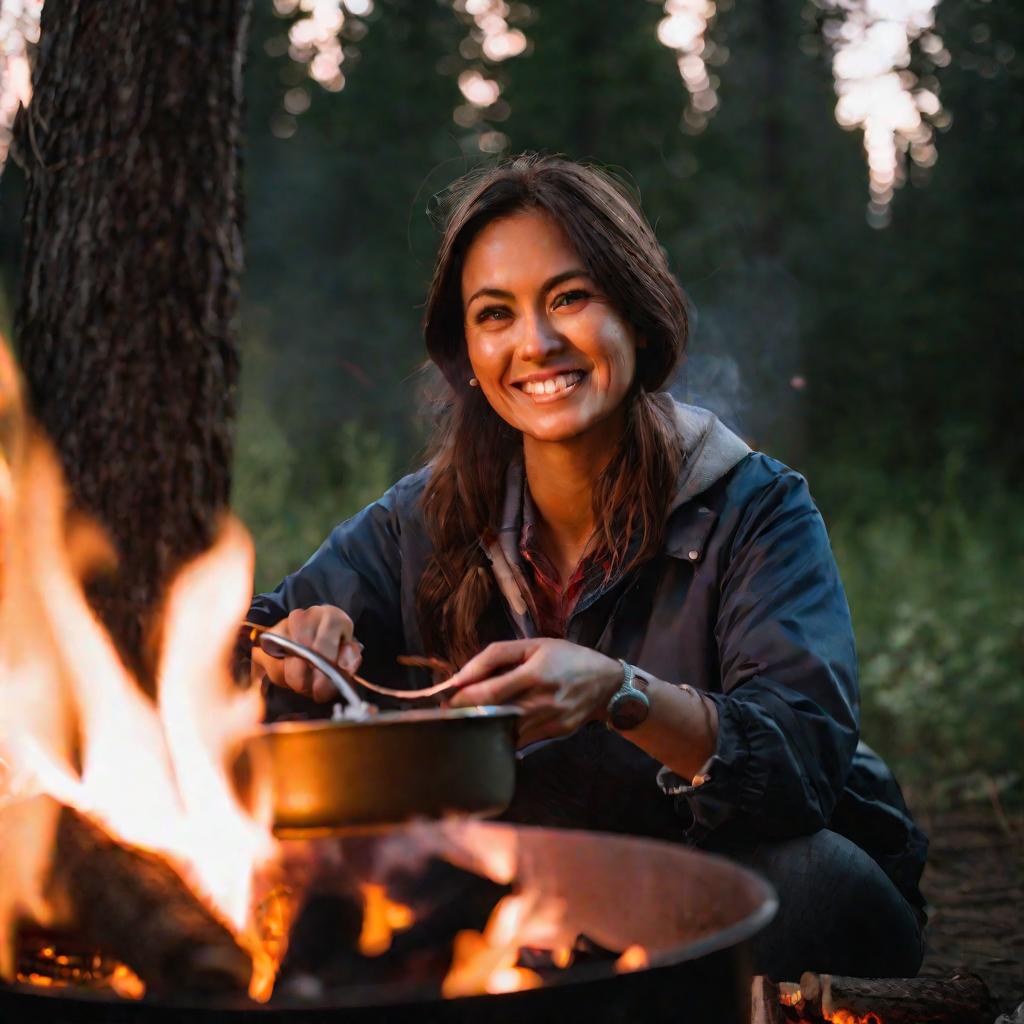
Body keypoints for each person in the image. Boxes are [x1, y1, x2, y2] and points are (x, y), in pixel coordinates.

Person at [247, 154, 927, 979]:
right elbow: (247, 639)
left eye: (569, 298)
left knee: (803, 882)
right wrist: (295, 646)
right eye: (494, 314)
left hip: (717, 881)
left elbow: (802, 761)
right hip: (526, 889)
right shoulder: (424, 518)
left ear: (637, 316)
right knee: (344, 902)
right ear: (466, 350)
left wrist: (619, 693)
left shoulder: (753, 508)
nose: (535, 344)